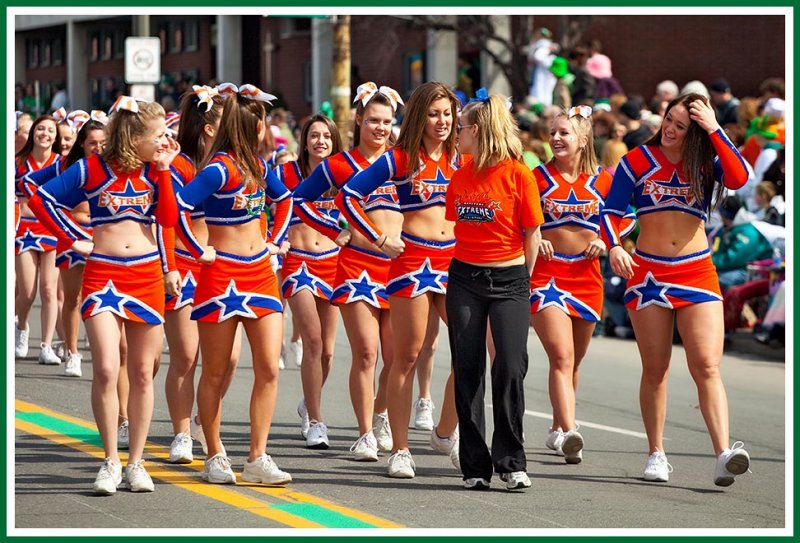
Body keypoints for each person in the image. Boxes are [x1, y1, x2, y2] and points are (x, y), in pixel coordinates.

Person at [28, 97, 180, 495]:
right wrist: (73, 237)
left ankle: (137, 462)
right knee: (108, 369)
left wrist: (164, 172)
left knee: (144, 374)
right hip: (103, 276)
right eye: (158, 135)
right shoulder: (91, 167)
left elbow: (167, 221)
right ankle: (110, 460)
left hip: (146, 275)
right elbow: (40, 197)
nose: (165, 140)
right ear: (135, 136)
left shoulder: (156, 171)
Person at [601, 93, 752, 487]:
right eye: (669, 120)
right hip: (649, 273)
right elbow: (611, 212)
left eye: (681, 125)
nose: (669, 129)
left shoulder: (706, 163)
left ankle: (723, 454)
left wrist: (715, 128)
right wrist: (615, 245)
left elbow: (739, 178)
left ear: (696, 131)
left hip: (696, 271)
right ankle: (656, 452)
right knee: (656, 369)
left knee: (706, 365)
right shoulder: (636, 161)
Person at [339, 81, 463, 479]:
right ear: (418, 117)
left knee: (470, 350)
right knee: (406, 357)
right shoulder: (400, 159)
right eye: (433, 113)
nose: (441, 121)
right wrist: (377, 237)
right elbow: (347, 196)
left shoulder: (462, 158)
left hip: (454, 264)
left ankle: (446, 433)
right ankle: (401, 448)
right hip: (411, 263)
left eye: (447, 113)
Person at [175, 83, 293, 486]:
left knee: (268, 369)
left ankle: (257, 456)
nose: (265, 130)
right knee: (216, 370)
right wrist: (197, 249)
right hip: (220, 276)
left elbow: (287, 200)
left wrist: (276, 240)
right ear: (249, 127)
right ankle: (214, 452)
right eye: (260, 123)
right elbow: (178, 208)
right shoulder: (217, 168)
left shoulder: (260, 168)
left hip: (260, 273)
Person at [292, 82, 401, 461]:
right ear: (359, 119)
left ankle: (382, 412)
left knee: (399, 356)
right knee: (367, 354)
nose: (380, 128)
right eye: (373, 120)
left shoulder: (403, 161)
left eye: (387, 121)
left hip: (399, 268)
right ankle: (365, 433)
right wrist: (333, 230)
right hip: (357, 266)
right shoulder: (340, 165)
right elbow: (299, 200)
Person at [444, 89, 543, 490]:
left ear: (479, 130)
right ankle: (474, 466)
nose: (457, 134)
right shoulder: (461, 174)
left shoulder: (519, 173)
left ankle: (511, 461)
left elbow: (531, 232)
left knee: (511, 367)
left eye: (462, 127)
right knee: (467, 369)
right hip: (465, 279)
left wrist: (522, 280)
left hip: (510, 281)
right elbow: (458, 226)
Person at [530, 105, 635, 464]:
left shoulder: (605, 179)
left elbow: (628, 217)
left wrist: (608, 241)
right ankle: (570, 431)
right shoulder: (537, 177)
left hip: (588, 278)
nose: (556, 138)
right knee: (560, 356)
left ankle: (559, 428)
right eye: (553, 132)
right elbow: (520, 220)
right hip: (547, 276)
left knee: (573, 363)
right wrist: (535, 239)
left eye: (564, 133)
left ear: (583, 138)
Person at [162, 84, 244, 464]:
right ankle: (181, 433)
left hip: (225, 272)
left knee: (227, 360)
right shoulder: (180, 165)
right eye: (229, 119)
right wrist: (176, 264)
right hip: (187, 267)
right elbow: (169, 218)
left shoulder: (234, 162)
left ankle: (201, 420)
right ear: (211, 128)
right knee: (187, 356)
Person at [20, 109, 109, 378]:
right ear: (83, 143)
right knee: (70, 298)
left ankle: (102, 349)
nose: (98, 148)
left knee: (98, 297)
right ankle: (72, 352)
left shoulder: (114, 166)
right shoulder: (69, 166)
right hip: (72, 237)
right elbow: (29, 185)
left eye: (103, 143)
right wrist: (58, 216)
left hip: (103, 239)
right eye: (92, 143)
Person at [276, 113, 343, 449]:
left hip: (333, 263)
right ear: (304, 141)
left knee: (328, 352)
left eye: (326, 136)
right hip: (299, 263)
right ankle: (316, 420)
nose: (320, 141)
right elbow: (270, 207)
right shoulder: (287, 173)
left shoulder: (343, 175)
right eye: (314, 135)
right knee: (313, 343)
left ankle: (307, 401)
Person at [14, 115, 62, 364]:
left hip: (53, 231)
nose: (45, 134)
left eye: (51, 130)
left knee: (49, 290)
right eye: (41, 129)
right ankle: (21, 326)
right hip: (24, 232)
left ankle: (46, 346)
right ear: (32, 133)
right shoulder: (18, 162)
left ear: (56, 136)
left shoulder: (62, 163)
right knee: (28, 292)